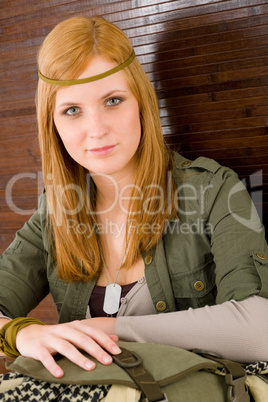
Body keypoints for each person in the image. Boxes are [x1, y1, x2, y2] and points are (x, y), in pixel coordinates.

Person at [1, 15, 268, 384]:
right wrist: (20, 333)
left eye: (113, 100)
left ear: (141, 102)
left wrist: (108, 329)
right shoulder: (57, 207)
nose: (97, 129)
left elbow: (259, 327)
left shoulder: (214, 191)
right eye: (72, 110)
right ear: (53, 124)